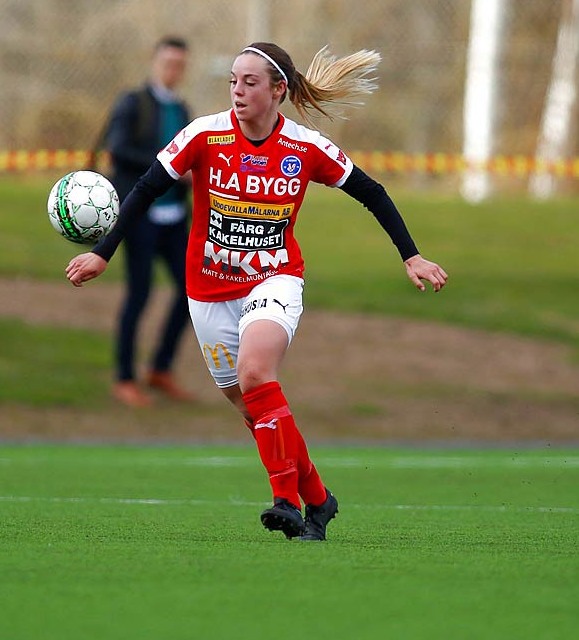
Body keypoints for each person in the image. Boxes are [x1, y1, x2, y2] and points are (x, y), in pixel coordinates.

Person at [66, 42, 449, 540]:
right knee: (257, 411)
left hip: (274, 280)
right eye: (232, 81)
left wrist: (411, 255)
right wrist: (104, 251)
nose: (238, 91)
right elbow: (145, 188)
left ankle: (286, 499)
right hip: (207, 291)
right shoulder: (204, 134)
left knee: (255, 372)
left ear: (277, 91)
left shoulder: (304, 148)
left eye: (250, 82)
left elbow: (371, 192)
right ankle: (319, 499)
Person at [100, 37, 194, 407]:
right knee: (139, 294)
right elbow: (118, 149)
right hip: (139, 215)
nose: (173, 70)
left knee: (190, 292)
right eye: (168, 62)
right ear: (154, 62)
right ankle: (124, 377)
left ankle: (160, 368)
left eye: (180, 64)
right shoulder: (133, 102)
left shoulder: (183, 109)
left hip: (175, 218)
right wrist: (169, 167)